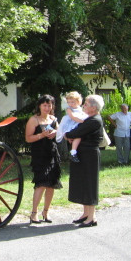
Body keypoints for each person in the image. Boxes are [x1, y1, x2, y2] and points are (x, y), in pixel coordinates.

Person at [64, 94, 105, 227]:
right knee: (83, 183)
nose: (83, 106)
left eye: (86, 104)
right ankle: (86, 213)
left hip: (89, 155)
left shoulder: (94, 120)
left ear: (93, 107)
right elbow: (77, 131)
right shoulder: (90, 118)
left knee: (89, 184)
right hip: (83, 153)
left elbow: (76, 132)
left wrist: (66, 135)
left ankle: (91, 217)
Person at [25, 94, 60, 224]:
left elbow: (60, 133)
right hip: (39, 155)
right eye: (44, 105)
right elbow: (28, 138)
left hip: (52, 153)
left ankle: (46, 211)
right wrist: (41, 135)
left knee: (51, 185)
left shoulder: (54, 119)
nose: (47, 107)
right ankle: (34, 213)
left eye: (49, 105)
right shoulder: (34, 120)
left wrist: (56, 132)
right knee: (41, 184)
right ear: (39, 106)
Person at [57, 91, 87, 163]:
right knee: (76, 135)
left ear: (78, 101)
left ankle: (73, 150)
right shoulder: (69, 109)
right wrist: (83, 122)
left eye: (72, 102)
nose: (70, 104)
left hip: (77, 123)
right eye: (69, 102)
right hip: (70, 123)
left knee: (78, 137)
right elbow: (72, 117)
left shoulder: (80, 109)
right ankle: (73, 152)